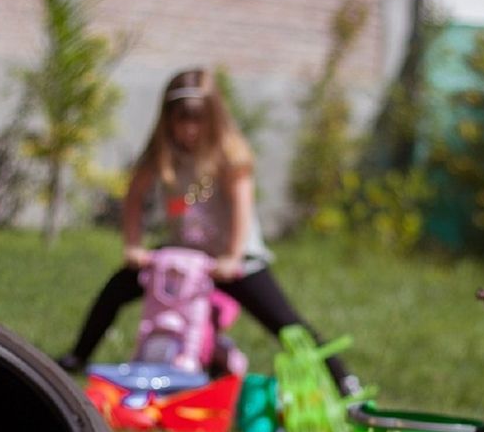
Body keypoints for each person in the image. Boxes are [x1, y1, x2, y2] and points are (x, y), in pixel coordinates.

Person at [57, 68, 358, 395]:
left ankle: (342, 379)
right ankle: (78, 357)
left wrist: (231, 256)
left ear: (213, 118)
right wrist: (133, 246)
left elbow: (243, 207)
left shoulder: (229, 153)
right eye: (181, 120)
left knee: (283, 321)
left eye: (198, 120)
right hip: (181, 256)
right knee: (116, 289)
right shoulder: (162, 152)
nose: (189, 129)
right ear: (167, 119)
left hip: (233, 257)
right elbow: (134, 196)